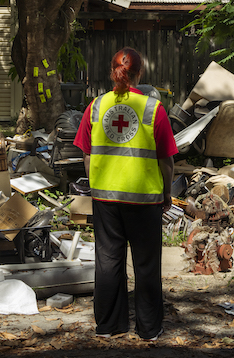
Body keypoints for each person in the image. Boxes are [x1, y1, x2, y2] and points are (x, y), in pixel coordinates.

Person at [73, 47, 177, 340]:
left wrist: (96, 184)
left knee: (108, 262)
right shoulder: (152, 109)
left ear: (112, 71)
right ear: (140, 73)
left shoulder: (95, 106)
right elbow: (166, 159)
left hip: (106, 198)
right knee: (146, 265)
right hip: (144, 200)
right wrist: (166, 192)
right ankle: (149, 329)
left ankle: (108, 325)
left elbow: (87, 154)